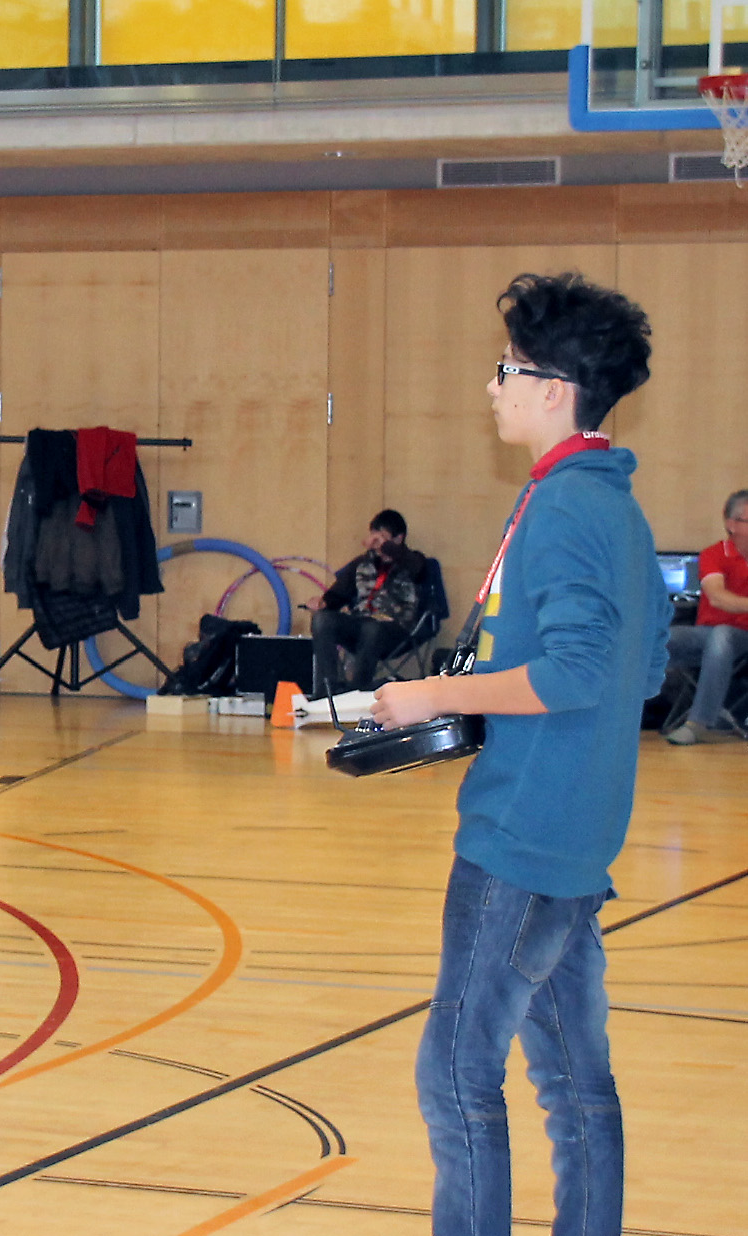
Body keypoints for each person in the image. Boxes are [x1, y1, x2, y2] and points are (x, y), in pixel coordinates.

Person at [372, 272, 668, 1236]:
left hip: (521, 837)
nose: (490, 387)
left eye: (506, 370)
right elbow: (641, 668)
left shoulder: (566, 508)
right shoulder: (615, 506)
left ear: (553, 391)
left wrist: (436, 695)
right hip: (576, 834)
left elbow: (578, 670)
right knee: (576, 1082)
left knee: (455, 1072)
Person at [308, 508, 426, 693]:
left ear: (398, 539)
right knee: (322, 620)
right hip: (360, 623)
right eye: (374, 537)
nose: (376, 543)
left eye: (382, 537)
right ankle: (327, 689)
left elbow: (418, 570)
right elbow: (339, 593)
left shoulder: (413, 561)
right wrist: (325, 602)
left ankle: (358, 690)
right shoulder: (362, 563)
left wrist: (387, 548)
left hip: (395, 629)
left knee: (372, 628)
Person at [663, 488, 748, 744]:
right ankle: (620, 714)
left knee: (722, 637)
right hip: (707, 634)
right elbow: (717, 596)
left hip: (742, 636)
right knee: (655, 637)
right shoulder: (714, 554)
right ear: (731, 524)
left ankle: (698, 723)